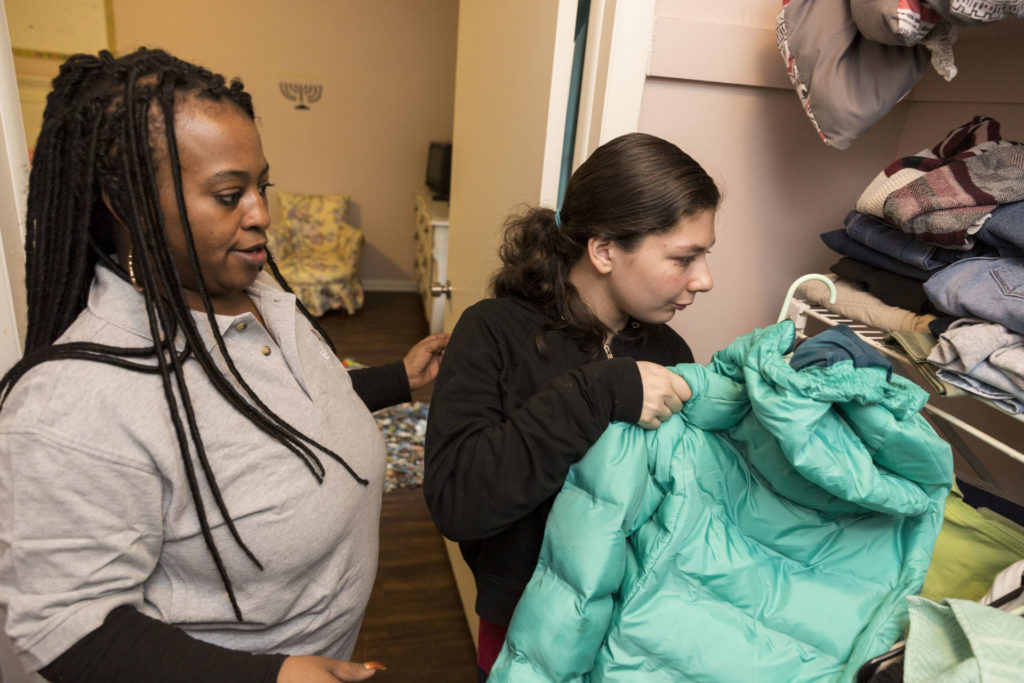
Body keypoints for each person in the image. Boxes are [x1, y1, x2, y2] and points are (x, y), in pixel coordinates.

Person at [0, 47, 447, 683]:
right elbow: (65, 630)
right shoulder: (70, 405)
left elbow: (279, 408)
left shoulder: (260, 295)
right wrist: (273, 676)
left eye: (262, 186)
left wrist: (397, 380)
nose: (262, 213)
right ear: (127, 203)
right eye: (229, 194)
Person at [423, 132, 720, 680]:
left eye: (705, 255)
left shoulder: (669, 351)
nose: (704, 279)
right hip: (526, 624)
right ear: (605, 250)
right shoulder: (492, 333)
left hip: (635, 621)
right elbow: (456, 500)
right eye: (684, 257)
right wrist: (599, 392)